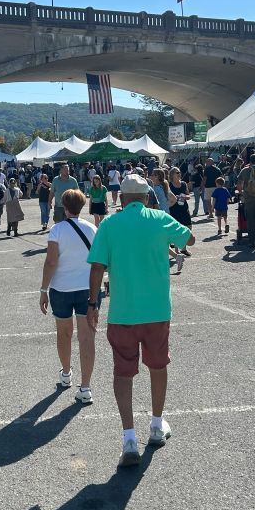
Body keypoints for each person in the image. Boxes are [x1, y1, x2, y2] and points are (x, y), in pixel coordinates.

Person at [86, 175, 195, 467]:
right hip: (157, 310)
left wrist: (92, 303)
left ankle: (129, 438)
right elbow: (190, 238)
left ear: (121, 198)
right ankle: (157, 425)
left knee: (123, 372)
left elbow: (97, 267)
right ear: (146, 197)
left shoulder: (109, 224)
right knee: (158, 366)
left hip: (122, 312)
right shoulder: (159, 218)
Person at [39, 188, 97, 404]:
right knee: (87, 337)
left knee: (63, 334)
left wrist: (43, 290)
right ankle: (86, 386)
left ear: (63, 206)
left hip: (61, 289)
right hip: (87, 289)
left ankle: (66, 374)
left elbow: (51, 261)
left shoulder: (56, 230)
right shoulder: (92, 228)